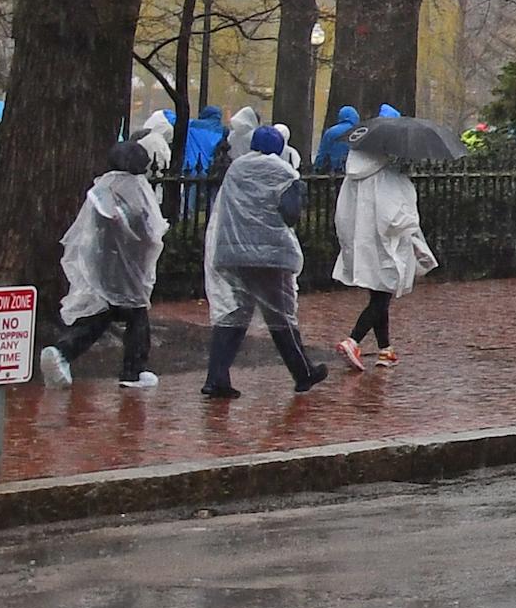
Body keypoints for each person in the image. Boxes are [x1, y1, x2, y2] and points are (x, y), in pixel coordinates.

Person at [200, 126, 327, 397]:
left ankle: (216, 376)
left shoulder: (236, 169)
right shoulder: (283, 172)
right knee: (281, 317)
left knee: (235, 314)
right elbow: (290, 214)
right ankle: (303, 372)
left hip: (233, 254)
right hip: (270, 256)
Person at [39, 142, 169, 390]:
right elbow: (148, 231)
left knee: (102, 314)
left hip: (103, 264)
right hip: (130, 268)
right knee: (136, 314)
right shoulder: (137, 189)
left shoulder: (103, 187)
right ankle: (132, 371)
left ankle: (63, 352)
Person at [333, 148, 438, 371]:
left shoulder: (352, 178)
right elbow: (398, 218)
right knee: (382, 296)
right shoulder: (389, 178)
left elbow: (342, 213)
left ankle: (386, 350)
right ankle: (353, 340)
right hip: (386, 247)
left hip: (362, 243)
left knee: (379, 295)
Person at [314, 105, 359, 172]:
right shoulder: (357, 131)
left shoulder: (330, 132)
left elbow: (323, 152)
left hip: (332, 169)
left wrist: (317, 167)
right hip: (352, 168)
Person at [182, 105, 226, 175]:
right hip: (211, 170)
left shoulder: (192, 124)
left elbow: (172, 119)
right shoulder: (223, 131)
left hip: (190, 167)